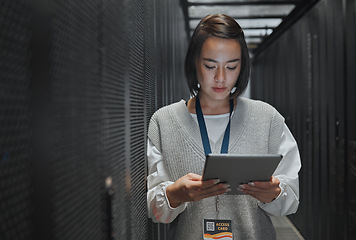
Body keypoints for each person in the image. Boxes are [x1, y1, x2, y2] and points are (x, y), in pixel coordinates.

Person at [147, 14, 301, 240]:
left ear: (242, 66)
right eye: (210, 65)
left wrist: (275, 193)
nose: (221, 78)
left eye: (231, 67)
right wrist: (175, 194)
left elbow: (291, 201)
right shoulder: (164, 121)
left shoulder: (268, 119)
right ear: (194, 62)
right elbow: (154, 211)